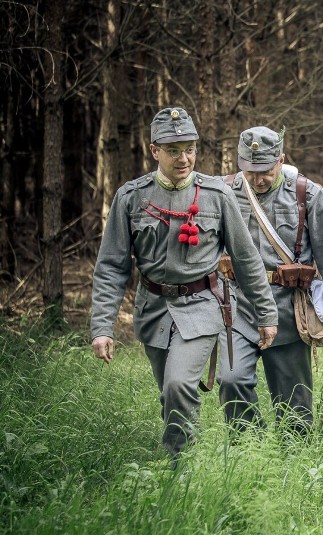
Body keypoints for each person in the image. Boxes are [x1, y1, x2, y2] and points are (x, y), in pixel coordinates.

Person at [90, 107, 278, 464]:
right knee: (169, 393)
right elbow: (111, 266)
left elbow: (246, 258)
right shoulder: (132, 198)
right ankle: (184, 451)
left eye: (190, 148)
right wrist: (103, 326)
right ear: (154, 150)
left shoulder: (215, 196)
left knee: (179, 384)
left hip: (202, 306)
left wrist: (266, 314)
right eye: (173, 150)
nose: (184, 158)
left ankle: (179, 466)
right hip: (153, 310)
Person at [217, 126, 323, 436]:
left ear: (281, 159)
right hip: (238, 308)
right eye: (250, 170)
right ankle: (248, 451)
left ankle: (294, 463)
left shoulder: (306, 194)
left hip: (288, 309)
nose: (258, 178)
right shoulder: (223, 193)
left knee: (295, 408)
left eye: (266, 170)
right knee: (232, 380)